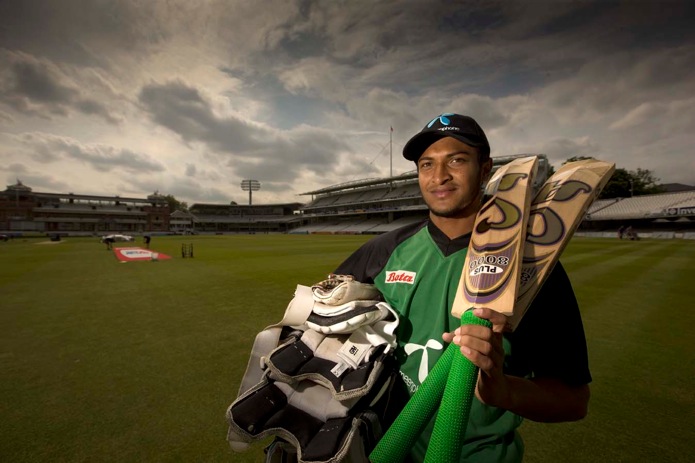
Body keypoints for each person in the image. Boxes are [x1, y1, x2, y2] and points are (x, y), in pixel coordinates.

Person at [333, 113, 591, 462]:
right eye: (427, 164)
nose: (439, 176)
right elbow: (324, 323)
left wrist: (503, 391)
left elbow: (573, 401)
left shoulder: (533, 265)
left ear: (485, 170)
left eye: (456, 160)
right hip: (382, 445)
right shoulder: (383, 250)